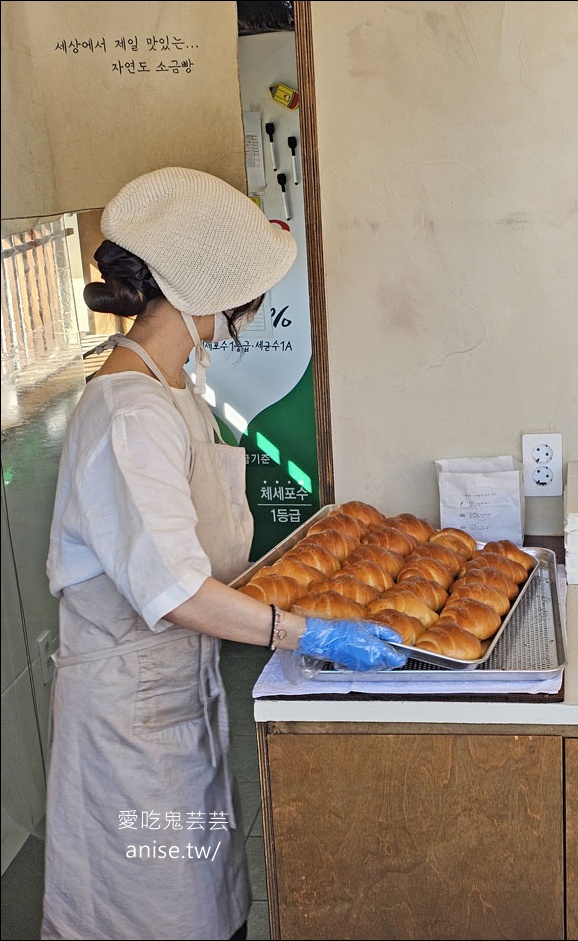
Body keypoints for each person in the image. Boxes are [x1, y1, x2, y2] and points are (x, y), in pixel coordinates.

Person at [42, 166, 407, 941]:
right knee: (152, 916)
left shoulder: (171, 389)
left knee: (206, 907)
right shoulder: (128, 415)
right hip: (130, 726)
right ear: (201, 291)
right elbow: (175, 589)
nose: (248, 312)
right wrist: (307, 632)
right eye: (243, 294)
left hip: (179, 700)